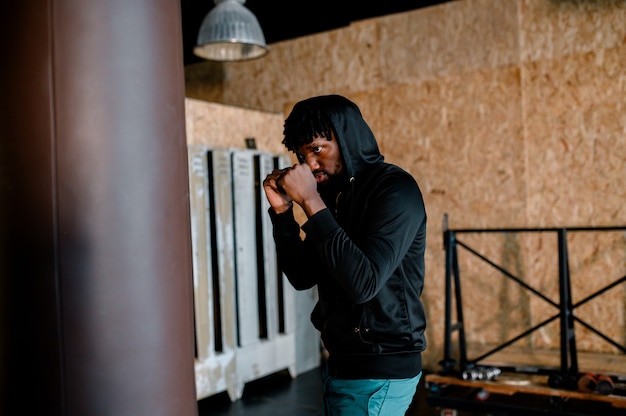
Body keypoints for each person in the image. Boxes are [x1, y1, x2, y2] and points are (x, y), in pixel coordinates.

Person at [262, 94, 427, 416]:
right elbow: (302, 276)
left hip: (381, 369)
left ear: (346, 138)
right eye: (301, 152)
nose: (309, 164)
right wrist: (282, 214)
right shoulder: (333, 197)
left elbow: (363, 283)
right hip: (342, 364)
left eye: (317, 149)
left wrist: (310, 200)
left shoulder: (395, 190)